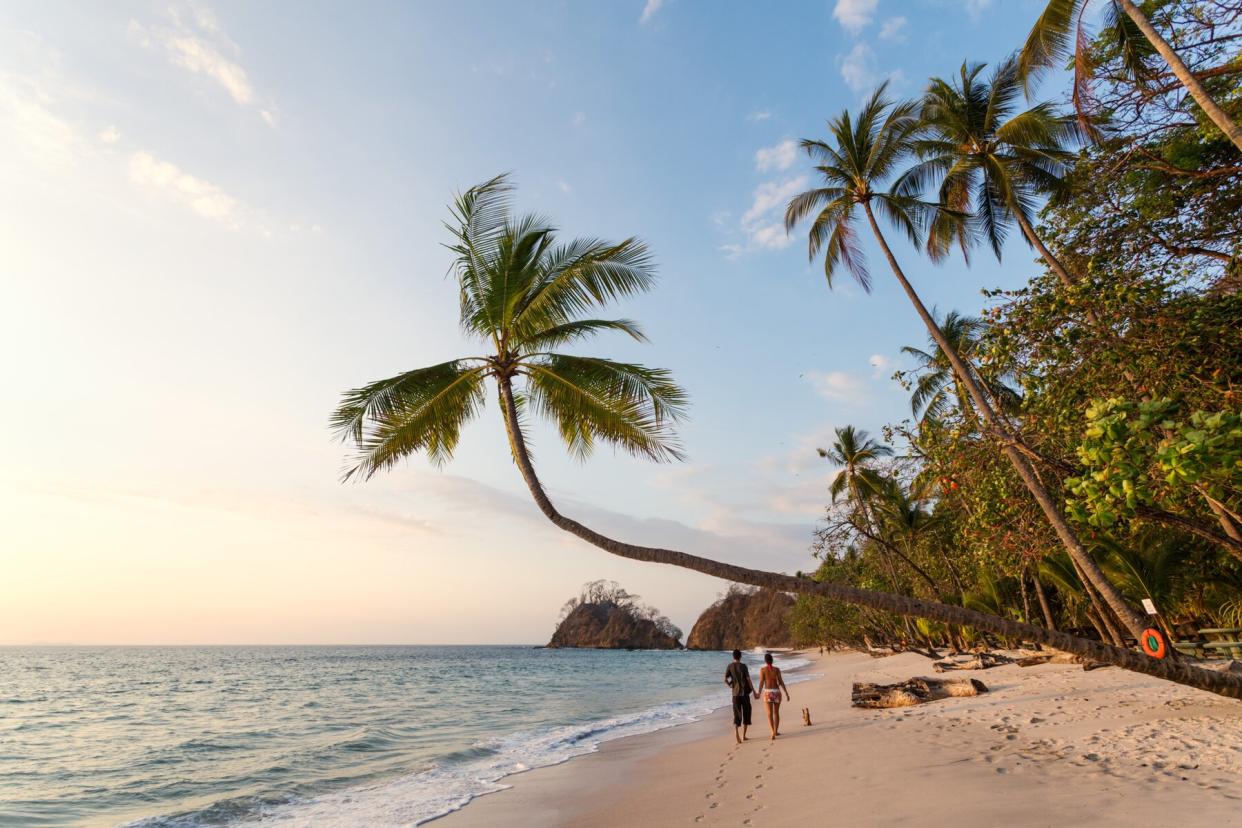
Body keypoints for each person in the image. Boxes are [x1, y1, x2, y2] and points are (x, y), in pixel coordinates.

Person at [755, 652, 790, 740]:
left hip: (767, 693)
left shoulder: (763, 670)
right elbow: (781, 682)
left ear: (765, 661)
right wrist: (786, 693)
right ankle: (775, 731)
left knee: (769, 714)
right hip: (777, 692)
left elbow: (762, 682)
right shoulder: (777, 669)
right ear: (772, 660)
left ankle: (772, 731)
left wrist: (758, 692)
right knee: (776, 713)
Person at [723, 649, 754, 744]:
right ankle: (744, 736)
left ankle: (736, 732)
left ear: (733, 657)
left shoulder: (730, 666)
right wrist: (754, 690)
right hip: (744, 694)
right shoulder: (744, 666)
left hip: (735, 694)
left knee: (737, 714)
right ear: (740, 656)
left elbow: (725, 679)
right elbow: (748, 680)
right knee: (747, 713)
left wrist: (731, 686)